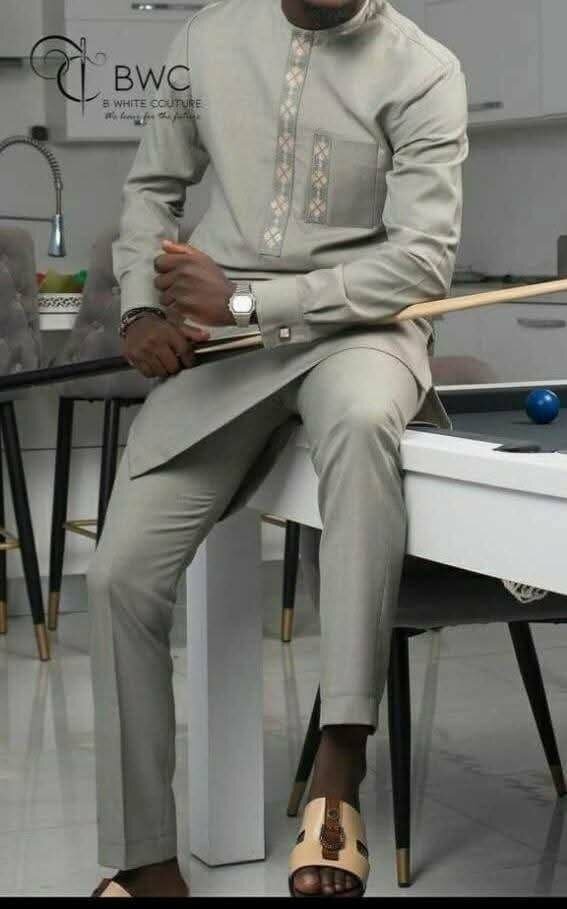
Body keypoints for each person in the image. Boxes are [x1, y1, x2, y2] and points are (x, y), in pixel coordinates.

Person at [88, 0, 468, 897]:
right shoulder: (205, 40)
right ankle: (145, 862)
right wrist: (140, 306)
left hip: (359, 329)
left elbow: (421, 262)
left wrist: (250, 301)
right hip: (222, 341)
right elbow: (151, 188)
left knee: (364, 420)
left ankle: (340, 759)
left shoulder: (424, 69)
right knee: (118, 576)